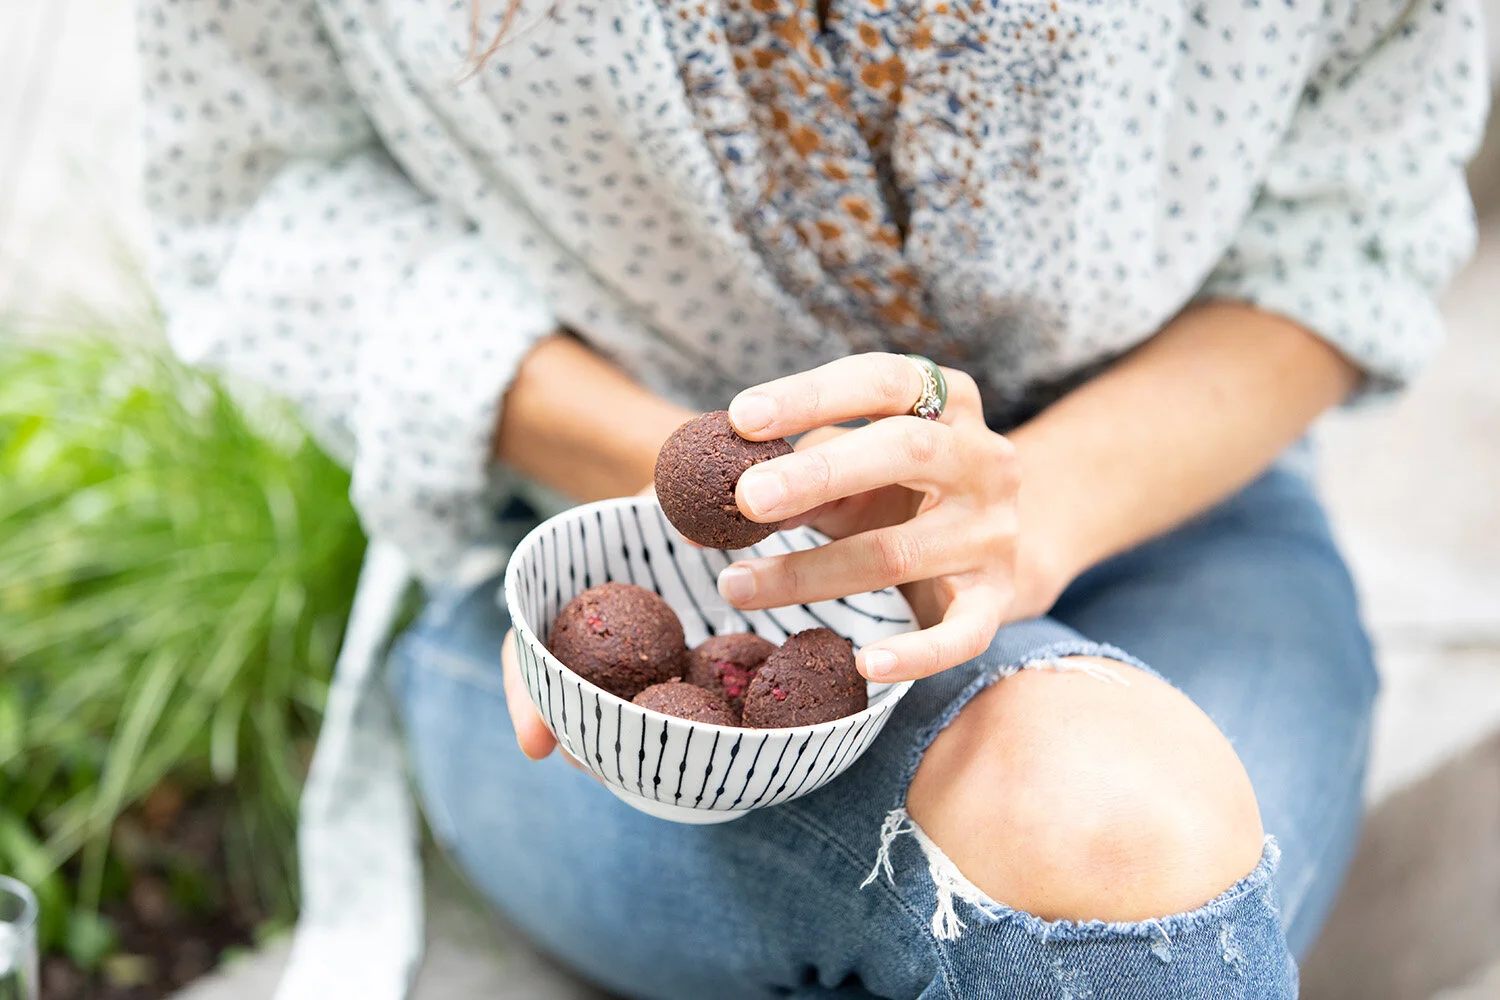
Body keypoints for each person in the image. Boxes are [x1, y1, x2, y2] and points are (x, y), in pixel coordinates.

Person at [137, 0, 1486, 996]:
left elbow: (1353, 208)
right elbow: (262, 191)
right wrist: (711, 486)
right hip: (592, 576)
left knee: (1127, 863)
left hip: (1163, 504)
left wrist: (1040, 505)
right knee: (1091, 839)